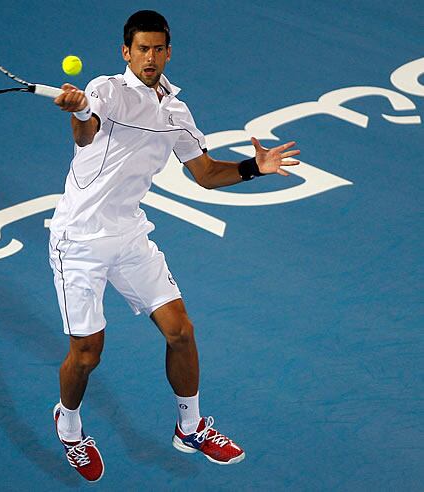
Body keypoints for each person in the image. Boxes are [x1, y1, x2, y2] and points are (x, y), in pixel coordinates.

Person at [49, 10, 300, 482]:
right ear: (126, 52)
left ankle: (191, 427)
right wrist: (80, 112)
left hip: (128, 234)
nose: (149, 57)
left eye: (157, 49)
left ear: (167, 52)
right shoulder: (105, 91)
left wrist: (254, 168)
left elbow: (204, 174)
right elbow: (86, 134)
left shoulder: (175, 112)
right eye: (141, 49)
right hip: (78, 241)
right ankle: (68, 422)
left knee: (180, 330)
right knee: (86, 355)